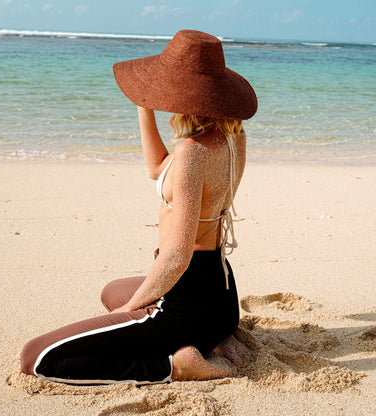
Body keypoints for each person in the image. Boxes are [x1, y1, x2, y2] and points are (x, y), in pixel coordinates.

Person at [20, 29, 257, 384]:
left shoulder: (191, 151)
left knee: (36, 358)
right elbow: (157, 169)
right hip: (220, 297)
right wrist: (144, 104)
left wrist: (132, 310)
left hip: (185, 299)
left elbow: (177, 256)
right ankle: (216, 338)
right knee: (111, 292)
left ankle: (176, 367)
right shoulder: (233, 139)